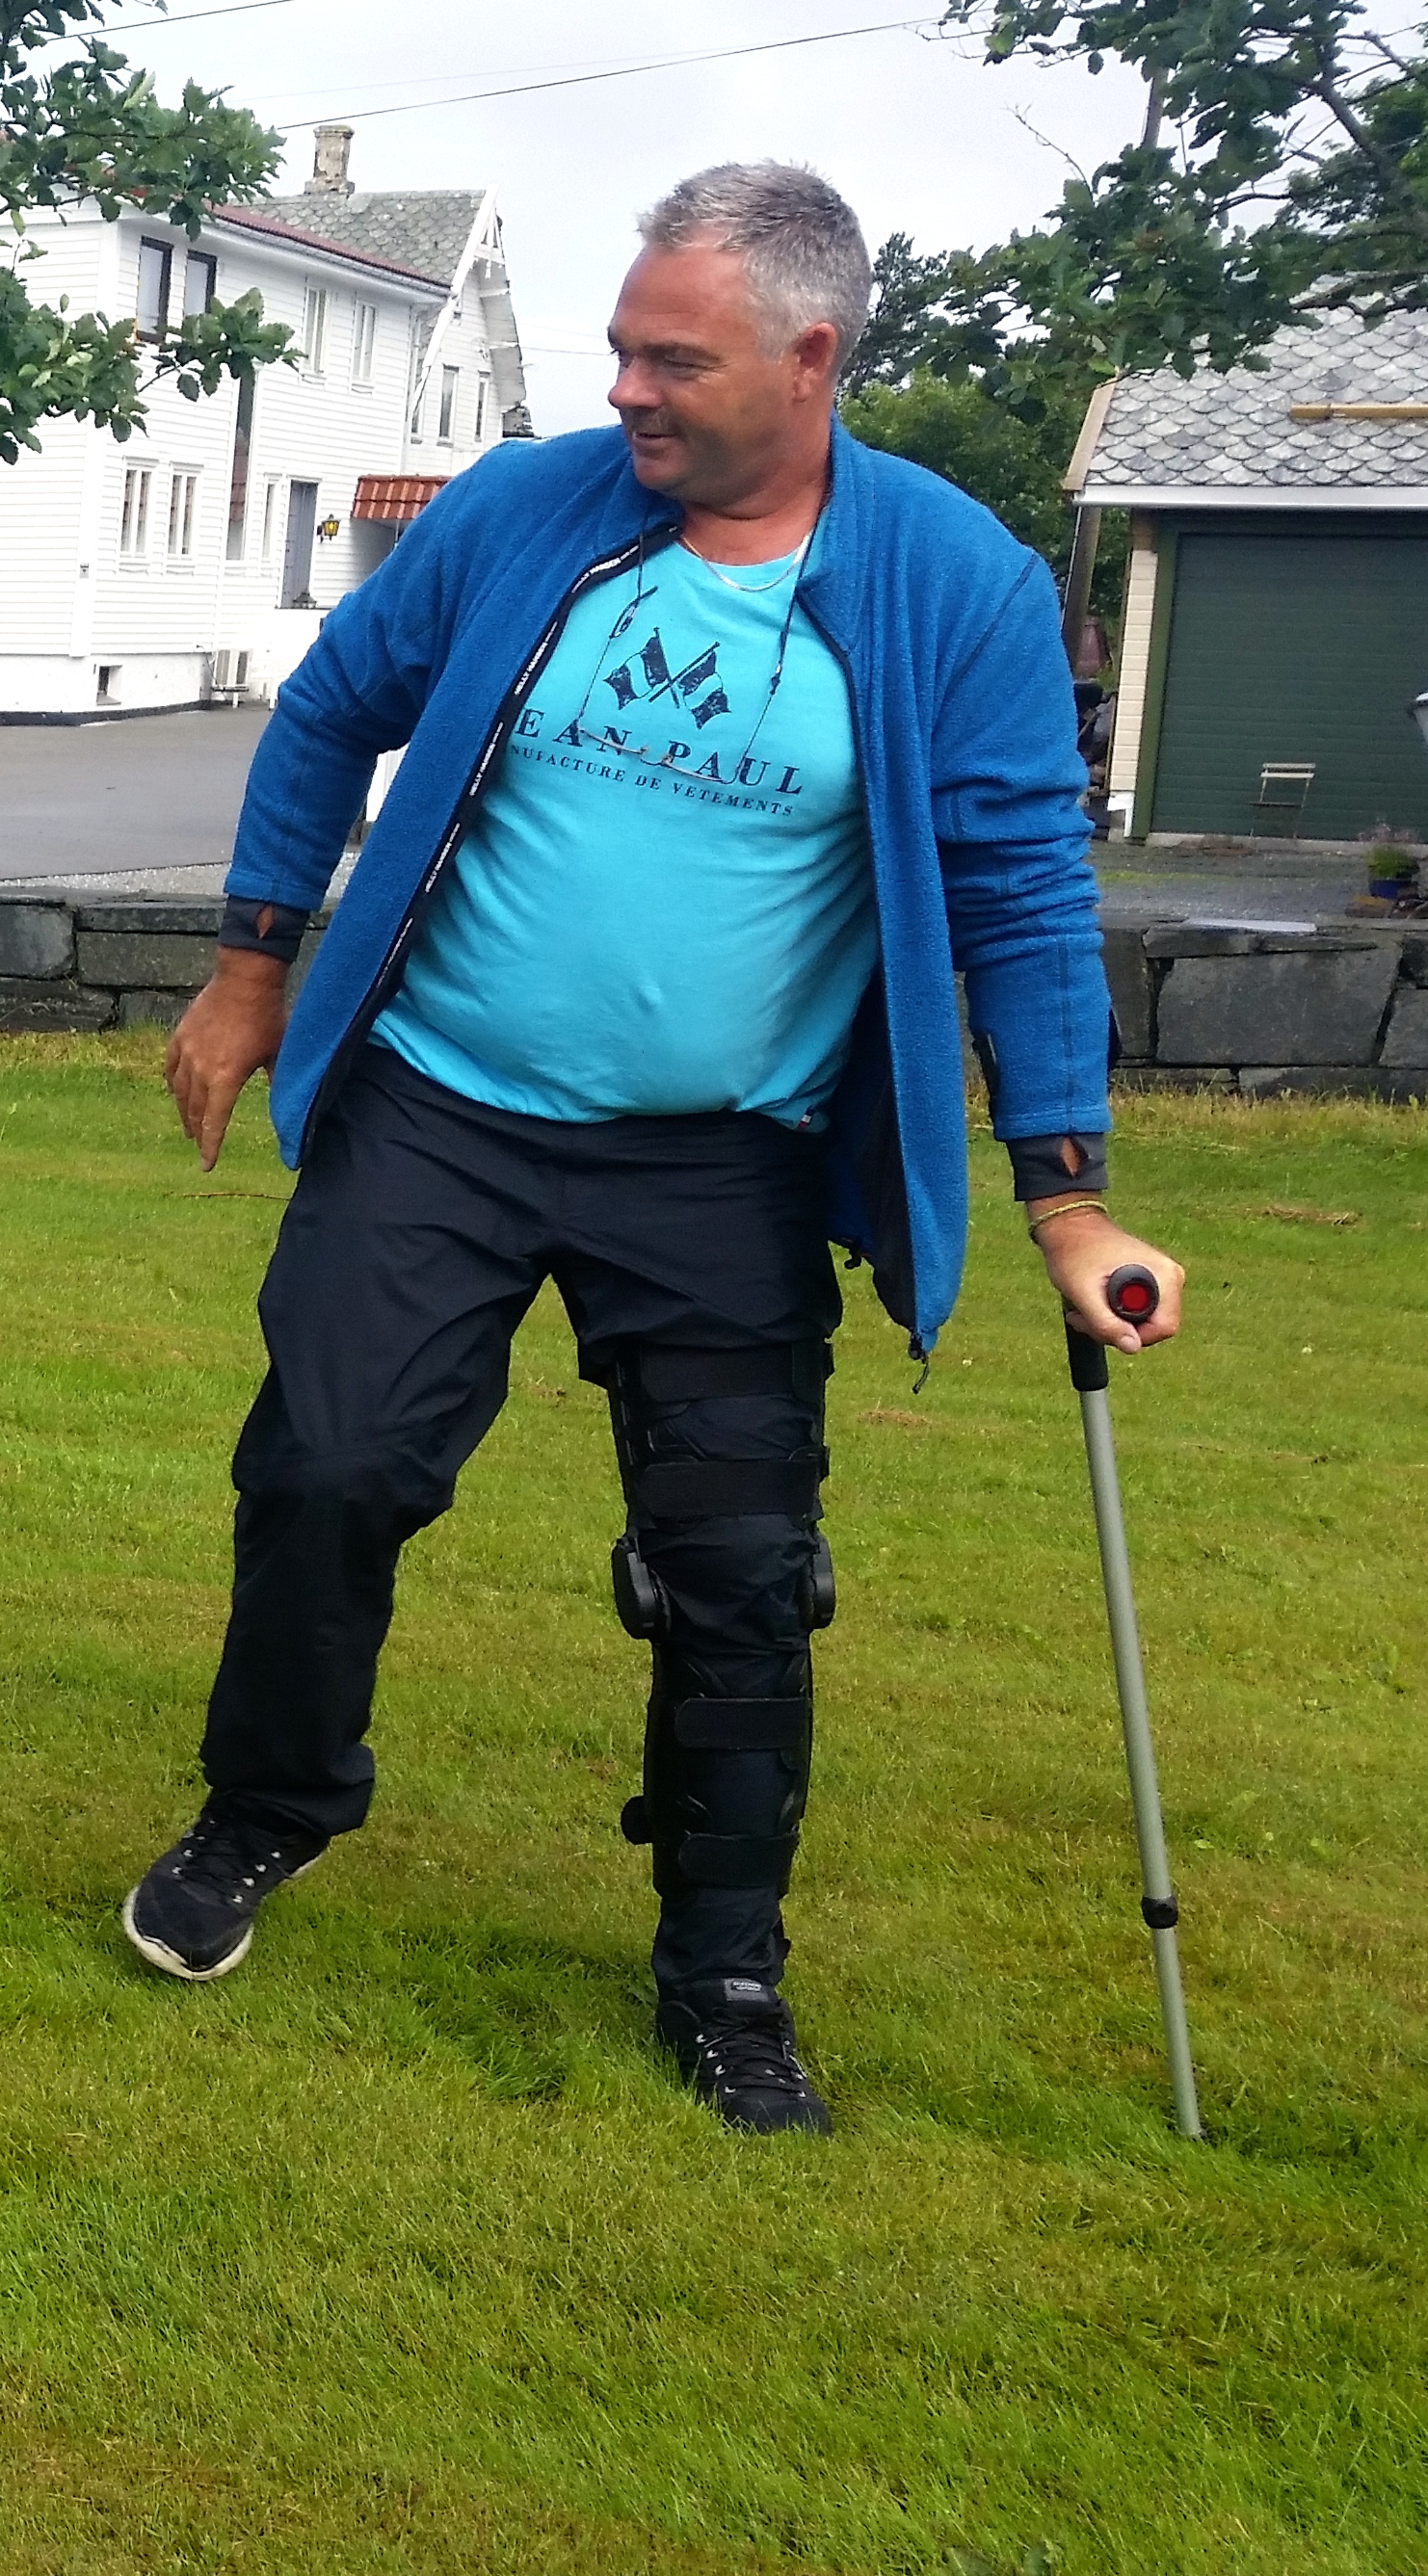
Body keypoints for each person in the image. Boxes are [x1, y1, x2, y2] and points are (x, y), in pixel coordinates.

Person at [133, 163, 1189, 2134]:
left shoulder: (945, 584)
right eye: (619, 347)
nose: (624, 389)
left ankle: (720, 1960)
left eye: (667, 359)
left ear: (809, 359)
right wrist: (251, 968)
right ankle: (262, 1811)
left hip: (722, 1161)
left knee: (738, 1570)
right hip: (438, 1108)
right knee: (331, 1465)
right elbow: (326, 714)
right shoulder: (527, 512)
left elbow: (1024, 896)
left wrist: (1064, 1192)